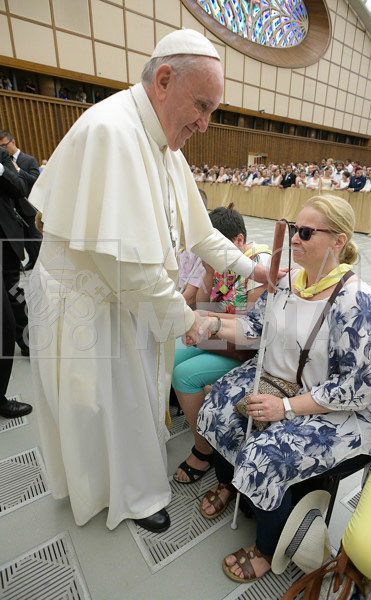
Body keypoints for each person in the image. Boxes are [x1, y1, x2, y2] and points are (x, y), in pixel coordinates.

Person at [26, 29, 270, 534]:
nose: (204, 124)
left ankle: (131, 487)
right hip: (88, 303)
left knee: (131, 400)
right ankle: (116, 494)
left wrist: (254, 269)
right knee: (95, 405)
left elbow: (201, 232)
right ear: (163, 80)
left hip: (131, 303)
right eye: (201, 106)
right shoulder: (112, 132)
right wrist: (188, 319)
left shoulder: (164, 145)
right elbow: (128, 268)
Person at [191, 195, 371, 582]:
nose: (294, 239)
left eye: (305, 232)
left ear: (338, 241)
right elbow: (255, 330)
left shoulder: (357, 301)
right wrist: (210, 324)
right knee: (217, 405)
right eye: (292, 229)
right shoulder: (286, 281)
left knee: (264, 457)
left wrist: (285, 408)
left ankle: (267, 548)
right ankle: (229, 483)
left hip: (336, 408)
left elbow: (357, 389)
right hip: (281, 382)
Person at [173, 205, 271, 484]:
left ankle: (203, 451)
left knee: (184, 375)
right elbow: (204, 304)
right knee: (172, 355)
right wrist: (207, 273)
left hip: (246, 347)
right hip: (219, 334)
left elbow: (250, 324)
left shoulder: (259, 262)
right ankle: (199, 419)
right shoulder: (221, 262)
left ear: (238, 240)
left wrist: (205, 322)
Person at [0, 147, 33, 417]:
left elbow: (20, 187)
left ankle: (27, 342)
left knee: (14, 296)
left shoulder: (1, 157)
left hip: (6, 244)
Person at [0, 130, 41, 271]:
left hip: (28, 206)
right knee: (24, 239)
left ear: (13, 142)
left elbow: (36, 180)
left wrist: (19, 171)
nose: (3, 149)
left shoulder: (29, 160)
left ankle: (40, 263)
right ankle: (32, 260)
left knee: (35, 237)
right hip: (13, 209)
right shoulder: (3, 160)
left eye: (4, 145)